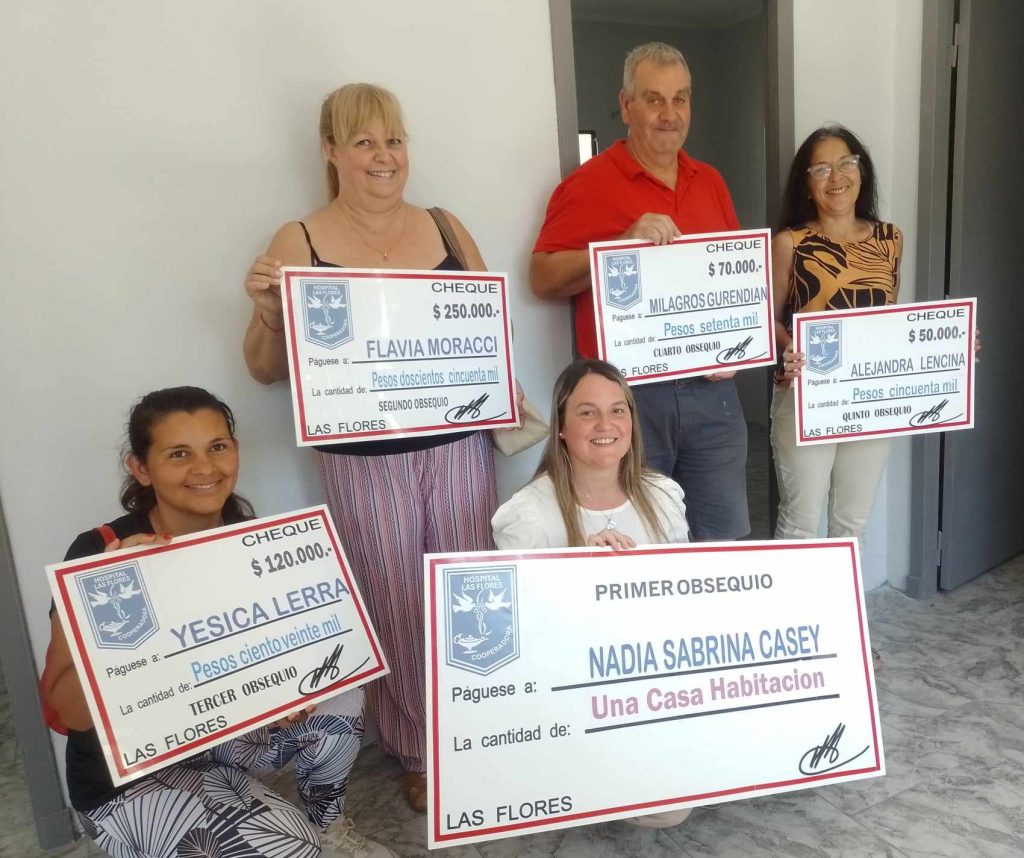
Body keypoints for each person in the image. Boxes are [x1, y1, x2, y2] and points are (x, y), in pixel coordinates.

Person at [243, 83, 508, 813]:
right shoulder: (298, 240)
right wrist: (268, 314)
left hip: (458, 444)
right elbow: (263, 370)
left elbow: (489, 326)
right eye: (364, 141)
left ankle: (481, 729)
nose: (384, 156)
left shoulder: (446, 227)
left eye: (394, 139)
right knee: (393, 597)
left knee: (466, 590)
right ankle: (417, 746)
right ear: (330, 151)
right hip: (363, 459)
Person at [41, 386, 393, 857]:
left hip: (217, 739)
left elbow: (260, 658)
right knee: (291, 847)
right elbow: (70, 712)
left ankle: (327, 827)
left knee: (341, 690)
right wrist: (104, 603)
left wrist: (283, 691)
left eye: (217, 447)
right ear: (141, 468)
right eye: (179, 453)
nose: (205, 468)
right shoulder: (101, 552)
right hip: (127, 777)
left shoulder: (247, 539)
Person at [530, 41, 749, 542]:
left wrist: (740, 342)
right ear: (627, 106)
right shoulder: (587, 184)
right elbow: (542, 277)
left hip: (712, 395)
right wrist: (616, 247)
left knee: (723, 537)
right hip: (630, 397)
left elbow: (735, 279)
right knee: (642, 536)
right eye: (654, 99)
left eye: (680, 99)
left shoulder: (710, 182)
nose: (669, 114)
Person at [492, 358, 689, 827]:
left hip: (652, 675)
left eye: (618, 410)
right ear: (561, 427)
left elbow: (684, 600)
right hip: (574, 688)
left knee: (679, 799)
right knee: (663, 807)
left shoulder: (663, 496)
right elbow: (517, 636)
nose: (606, 425)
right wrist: (577, 572)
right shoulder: (529, 514)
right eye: (587, 413)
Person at [770, 126, 903, 548]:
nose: (836, 176)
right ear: (807, 184)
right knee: (800, 522)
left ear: (861, 172)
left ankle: (844, 597)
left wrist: (950, 345)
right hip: (806, 393)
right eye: (822, 168)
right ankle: (792, 597)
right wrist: (788, 346)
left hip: (869, 396)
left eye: (846, 163)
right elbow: (766, 319)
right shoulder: (790, 243)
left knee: (852, 524)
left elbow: (890, 319)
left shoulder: (889, 239)